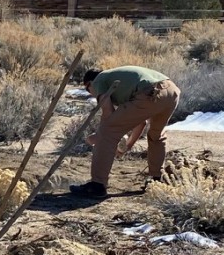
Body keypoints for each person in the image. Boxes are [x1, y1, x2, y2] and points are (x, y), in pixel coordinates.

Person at [69, 65, 180, 200]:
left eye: (88, 90)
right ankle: (157, 179)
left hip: (149, 92)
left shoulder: (98, 81)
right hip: (171, 91)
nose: (91, 93)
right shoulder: (120, 82)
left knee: (107, 132)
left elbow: (108, 112)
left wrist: (99, 136)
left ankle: (97, 186)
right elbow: (141, 122)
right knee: (156, 135)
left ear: (89, 84)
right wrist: (127, 146)